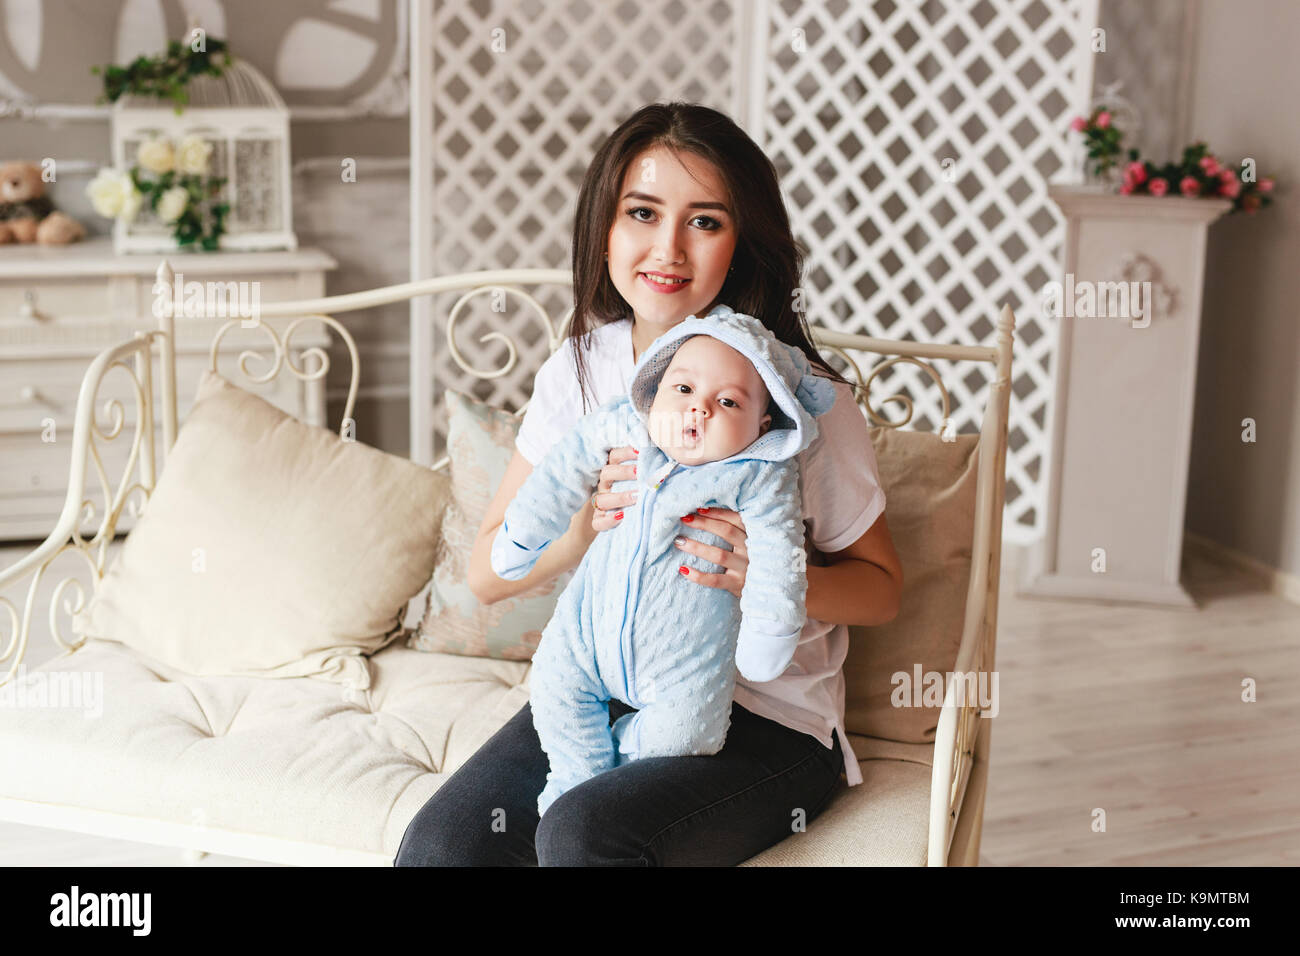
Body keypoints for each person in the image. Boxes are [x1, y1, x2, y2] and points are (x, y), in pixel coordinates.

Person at [394, 101, 903, 867]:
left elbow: (882, 589)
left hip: (768, 718)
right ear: (606, 226)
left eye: (704, 221)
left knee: (584, 834)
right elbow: (486, 575)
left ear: (743, 241)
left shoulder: (793, 396)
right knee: (439, 850)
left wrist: (767, 577)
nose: (668, 249)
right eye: (642, 212)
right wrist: (581, 530)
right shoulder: (579, 372)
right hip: (602, 689)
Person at [489, 309, 837, 817]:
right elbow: (561, 470)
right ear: (654, 390)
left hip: (684, 664)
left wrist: (771, 629)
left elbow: (780, 560)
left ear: (763, 425)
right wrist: (526, 534)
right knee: (554, 687)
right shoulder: (627, 426)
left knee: (691, 732)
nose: (698, 411)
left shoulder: (759, 475)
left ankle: (625, 749)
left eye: (727, 402)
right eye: (683, 390)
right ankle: (577, 773)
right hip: (585, 632)